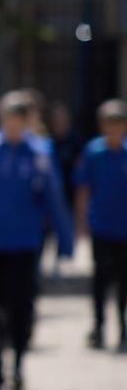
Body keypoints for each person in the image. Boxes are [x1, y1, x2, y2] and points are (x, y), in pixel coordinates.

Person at [0, 91, 75, 390]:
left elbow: (53, 198)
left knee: (20, 308)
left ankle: (17, 365)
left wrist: (65, 239)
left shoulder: (40, 153)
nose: (13, 127)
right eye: (8, 121)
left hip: (25, 243)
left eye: (19, 121)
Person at [76, 100, 127, 350]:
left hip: (124, 228)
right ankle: (99, 325)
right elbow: (84, 189)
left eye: (118, 124)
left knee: (124, 282)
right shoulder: (93, 152)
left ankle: (123, 327)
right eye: (109, 124)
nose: (114, 130)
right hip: (102, 226)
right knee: (100, 279)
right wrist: (82, 221)